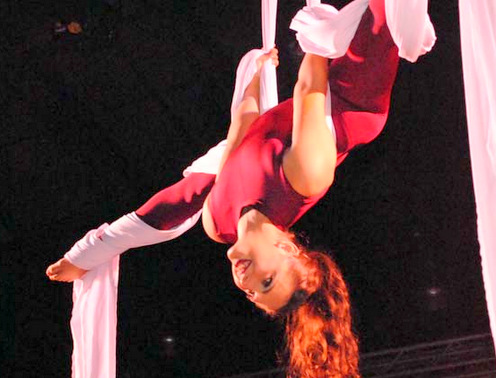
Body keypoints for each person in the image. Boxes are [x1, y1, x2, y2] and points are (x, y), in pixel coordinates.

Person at [48, 1, 401, 376]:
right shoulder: (304, 179)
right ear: (287, 247)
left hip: (304, 103)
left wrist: (255, 77)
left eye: (253, 294)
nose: (248, 284)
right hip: (352, 97)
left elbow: (241, 129)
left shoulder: (217, 223)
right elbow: (310, 88)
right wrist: (314, 23)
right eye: (268, 281)